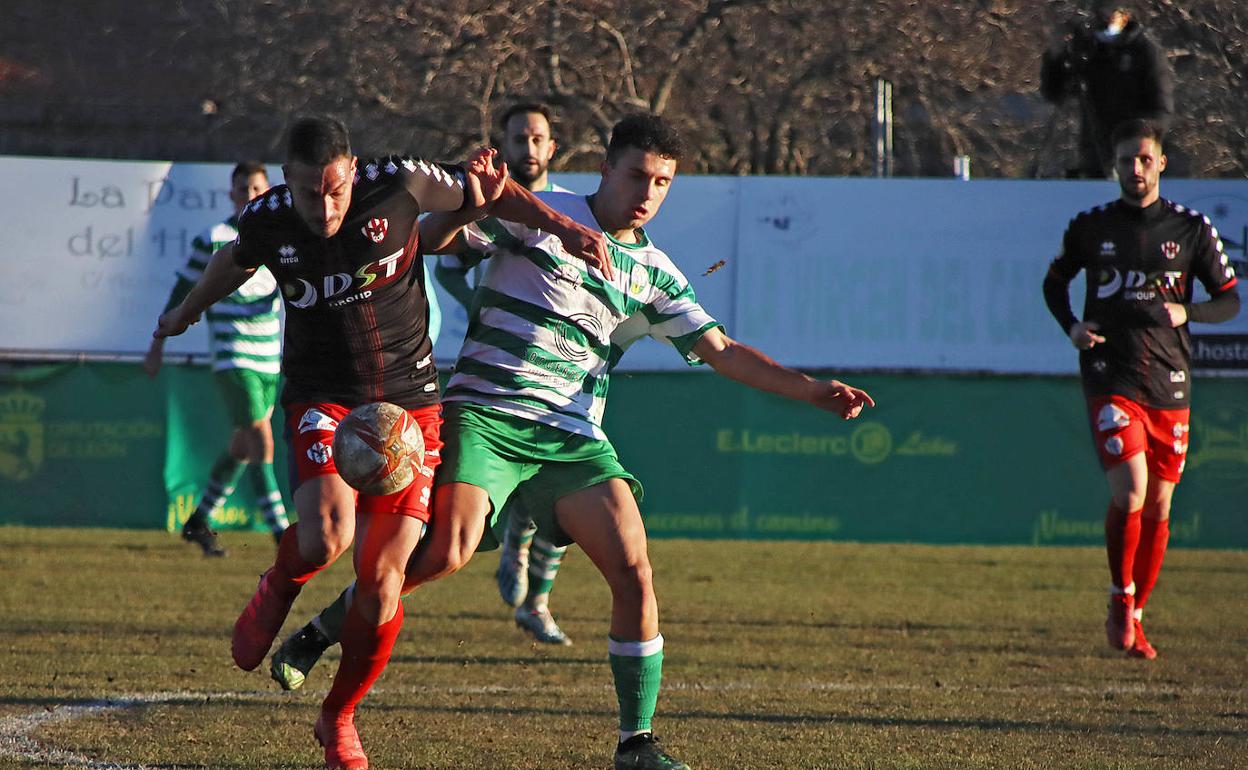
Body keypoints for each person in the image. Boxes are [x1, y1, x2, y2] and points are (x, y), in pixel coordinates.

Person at [152, 116, 609, 770]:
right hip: (323, 394)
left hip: (408, 402)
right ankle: (280, 581)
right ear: (289, 183)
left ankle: (338, 716)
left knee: (382, 581)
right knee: (325, 537)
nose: (326, 205)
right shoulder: (271, 217)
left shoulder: (398, 182)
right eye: (311, 192)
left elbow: (494, 192)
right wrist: (189, 309)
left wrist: (567, 227)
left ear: (353, 170)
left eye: (336, 189)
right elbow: (235, 257)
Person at [425, 113, 875, 769]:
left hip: (571, 434)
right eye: (637, 174)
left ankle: (636, 744)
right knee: (447, 551)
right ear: (605, 167)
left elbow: (722, 352)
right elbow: (439, 241)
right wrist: (473, 197)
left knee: (635, 569)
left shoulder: (656, 273)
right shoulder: (543, 211)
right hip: (488, 411)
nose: (647, 191)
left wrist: (811, 390)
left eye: (662, 181)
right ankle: (334, 622)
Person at [1042, 119, 1239, 660]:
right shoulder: (1091, 226)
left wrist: (1187, 310)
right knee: (1130, 490)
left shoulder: (1192, 229)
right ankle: (1120, 594)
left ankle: (1138, 611)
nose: (1135, 169)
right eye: (1126, 160)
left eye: (1144, 160)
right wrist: (1073, 328)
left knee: (1159, 503)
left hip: (1170, 380)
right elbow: (1055, 282)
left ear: (1161, 164)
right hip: (1111, 373)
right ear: (1115, 165)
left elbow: (1229, 299)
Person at [144, 161, 288, 556]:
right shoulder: (216, 238)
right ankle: (282, 533)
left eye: (257, 189)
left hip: (268, 360)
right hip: (233, 356)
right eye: (243, 190)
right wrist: (158, 342)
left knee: (242, 444)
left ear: (268, 191)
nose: (250, 196)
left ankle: (199, 520)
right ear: (231, 195)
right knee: (261, 438)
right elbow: (183, 290)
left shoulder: (280, 237)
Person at [1040, 1, 1174, 178]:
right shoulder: (1088, 50)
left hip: (1133, 153)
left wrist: (1140, 143)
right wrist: (1056, 56)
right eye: (1098, 16)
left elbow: (1161, 108)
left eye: (1109, 16)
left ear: (1125, 17)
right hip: (1094, 152)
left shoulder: (1144, 52)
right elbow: (1055, 92)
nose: (1103, 22)